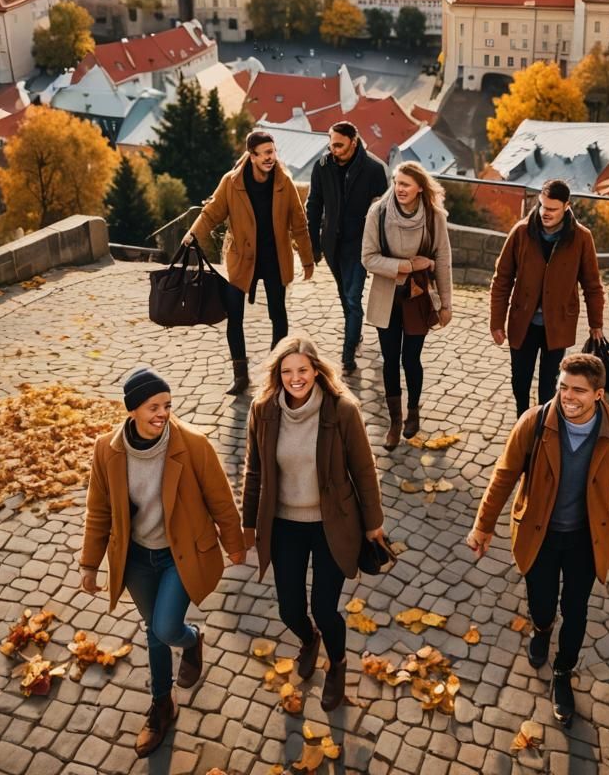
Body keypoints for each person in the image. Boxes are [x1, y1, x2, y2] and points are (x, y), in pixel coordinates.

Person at [465, 353, 609, 726]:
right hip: (539, 534)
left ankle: (563, 672)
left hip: (587, 539)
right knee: (542, 601)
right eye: (563, 387)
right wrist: (482, 526)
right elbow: (504, 476)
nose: (568, 397)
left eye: (578, 391)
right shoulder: (534, 422)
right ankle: (541, 626)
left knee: (577, 609)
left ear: (599, 394)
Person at [79, 367, 246, 757]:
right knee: (153, 631)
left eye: (167, 406)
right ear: (133, 409)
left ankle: (191, 638)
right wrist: (90, 563)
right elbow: (98, 509)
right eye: (154, 406)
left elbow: (221, 499)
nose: (163, 413)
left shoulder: (193, 444)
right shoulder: (107, 449)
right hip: (136, 557)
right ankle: (161, 705)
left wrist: (235, 544)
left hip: (180, 554)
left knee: (166, 626)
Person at [241, 336, 385, 712]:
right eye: (287, 371)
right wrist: (248, 524)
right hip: (285, 524)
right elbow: (254, 469)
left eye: (303, 370)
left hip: (331, 525)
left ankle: (337, 664)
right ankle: (309, 640)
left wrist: (374, 524)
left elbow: (364, 470)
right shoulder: (263, 409)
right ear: (278, 375)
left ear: (316, 371)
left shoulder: (342, 410)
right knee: (289, 609)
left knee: (324, 608)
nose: (296, 378)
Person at [184, 130, 314, 395]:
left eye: (273, 152)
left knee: (278, 315)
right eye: (265, 153)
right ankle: (240, 374)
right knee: (235, 315)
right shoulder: (232, 182)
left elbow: (299, 224)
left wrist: (308, 260)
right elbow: (212, 213)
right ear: (252, 156)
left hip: (275, 257)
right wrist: (192, 235)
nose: (271, 157)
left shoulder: (284, 182)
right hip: (241, 258)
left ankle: (276, 372)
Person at [490, 179, 605, 418]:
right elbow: (501, 279)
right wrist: (496, 323)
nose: (545, 213)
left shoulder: (582, 238)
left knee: (549, 386)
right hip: (523, 322)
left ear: (566, 206)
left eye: (552, 208)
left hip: (558, 325)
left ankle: (544, 426)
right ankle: (523, 421)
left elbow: (593, 286)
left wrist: (596, 324)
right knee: (519, 381)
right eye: (542, 206)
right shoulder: (521, 232)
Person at [361, 161, 452, 452]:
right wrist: (408, 264)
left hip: (418, 298)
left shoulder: (434, 217)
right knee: (390, 360)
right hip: (386, 296)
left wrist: (446, 305)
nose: (399, 189)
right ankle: (395, 421)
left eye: (405, 184)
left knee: (411, 359)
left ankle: (413, 411)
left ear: (419, 188)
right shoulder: (378, 212)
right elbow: (368, 258)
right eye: (397, 182)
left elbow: (444, 260)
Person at [305, 121, 389, 375]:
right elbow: (314, 205)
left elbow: (384, 211)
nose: (334, 150)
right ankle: (356, 335)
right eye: (331, 145)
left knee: (353, 298)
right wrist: (314, 245)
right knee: (345, 296)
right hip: (332, 244)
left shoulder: (374, 169)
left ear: (354, 142)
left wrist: (381, 248)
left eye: (339, 145)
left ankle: (348, 352)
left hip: (360, 246)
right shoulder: (322, 167)